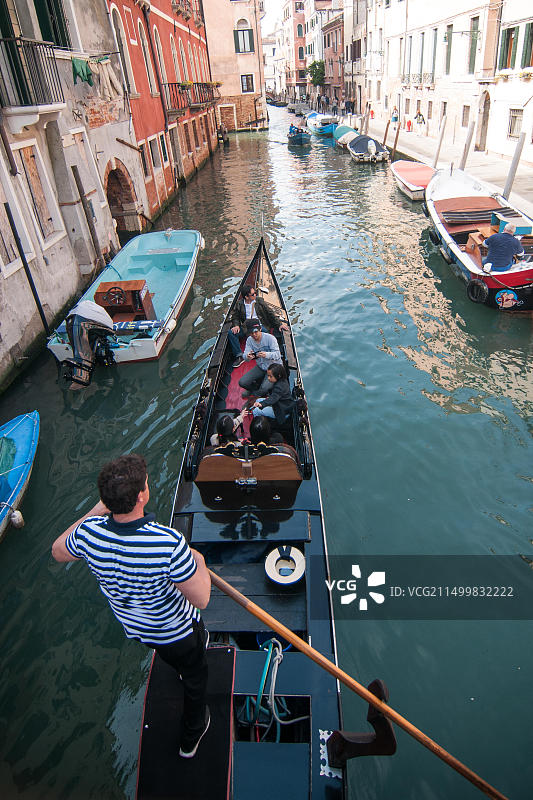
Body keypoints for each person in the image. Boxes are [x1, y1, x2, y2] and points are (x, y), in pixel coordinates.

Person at [51, 454, 211, 759]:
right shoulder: (169, 543)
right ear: (141, 497)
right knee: (195, 678)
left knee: (174, 654)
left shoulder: (88, 533)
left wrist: (99, 510)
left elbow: (58, 551)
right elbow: (202, 598)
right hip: (176, 632)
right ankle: (192, 735)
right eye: (146, 484)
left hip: (138, 629)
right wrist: (199, 562)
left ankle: (182, 666)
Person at [229, 285, 288, 367]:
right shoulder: (239, 304)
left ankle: (263, 354)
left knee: (263, 333)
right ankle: (239, 356)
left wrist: (279, 324)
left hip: (259, 325)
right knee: (231, 333)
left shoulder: (259, 301)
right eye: (253, 294)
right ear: (246, 297)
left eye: (255, 293)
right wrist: (236, 325)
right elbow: (235, 317)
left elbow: (270, 313)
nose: (255, 295)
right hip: (246, 326)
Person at [239, 319, 283, 398]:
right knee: (242, 382)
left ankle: (256, 395)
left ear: (260, 329)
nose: (254, 335)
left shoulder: (270, 338)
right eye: (251, 333)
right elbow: (245, 355)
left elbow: (278, 355)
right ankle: (255, 390)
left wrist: (266, 354)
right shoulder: (249, 340)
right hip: (261, 366)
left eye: (256, 332)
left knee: (265, 387)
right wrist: (247, 356)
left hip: (274, 367)